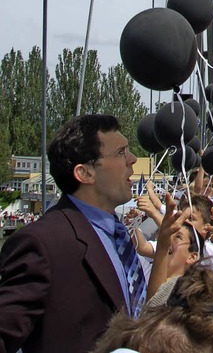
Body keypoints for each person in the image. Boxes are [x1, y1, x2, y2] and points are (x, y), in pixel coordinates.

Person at [0, 114, 146, 353]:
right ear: (85, 173)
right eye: (121, 152)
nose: (133, 159)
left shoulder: (118, 236)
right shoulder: (42, 244)